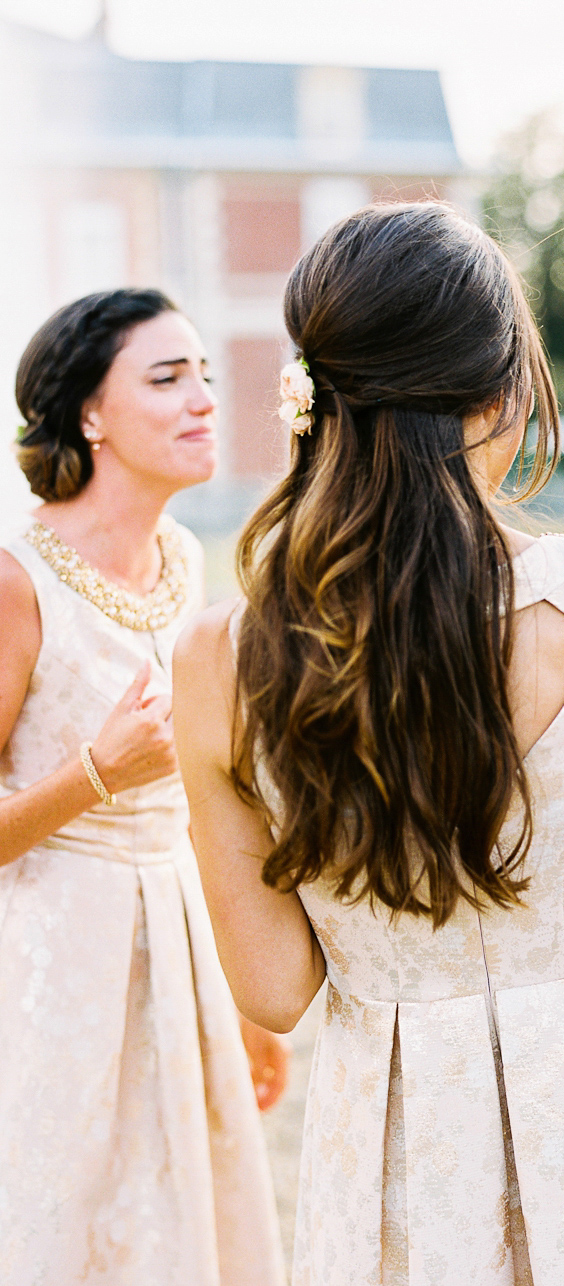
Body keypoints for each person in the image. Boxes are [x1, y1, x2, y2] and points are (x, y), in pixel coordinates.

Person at [173, 201, 564, 1286]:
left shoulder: (223, 657)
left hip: (400, 1158)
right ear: (502, 389)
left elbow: (276, 986)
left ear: (315, 394)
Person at [0, 289, 288, 1285]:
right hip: (48, 967)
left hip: (181, 951)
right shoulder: (14, 577)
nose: (202, 398)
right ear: (89, 414)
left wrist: (246, 998)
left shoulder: (181, 558)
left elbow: (203, 806)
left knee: (178, 1231)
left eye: (203, 373)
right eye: (167, 377)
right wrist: (94, 771)